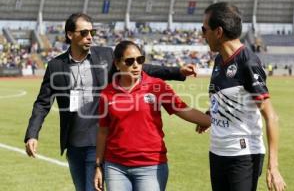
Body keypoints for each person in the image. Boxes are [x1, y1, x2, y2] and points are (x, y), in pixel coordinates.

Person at [24, 13, 197, 191]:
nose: (90, 36)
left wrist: (177, 72)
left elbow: (138, 66)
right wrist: (32, 134)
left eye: (92, 32)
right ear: (70, 35)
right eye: (84, 33)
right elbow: (43, 103)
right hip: (74, 145)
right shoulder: (56, 66)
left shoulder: (105, 55)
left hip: (98, 140)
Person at [94, 40, 211, 191]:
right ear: (117, 64)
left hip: (151, 166)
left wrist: (211, 120)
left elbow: (183, 109)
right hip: (116, 168)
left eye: (140, 60)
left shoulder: (156, 86)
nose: (136, 65)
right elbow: (103, 132)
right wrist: (98, 166)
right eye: (130, 61)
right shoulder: (107, 93)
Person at [201, 2, 286, 191]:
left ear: (218, 32)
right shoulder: (218, 60)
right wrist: (211, 115)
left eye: (204, 29)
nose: (202, 35)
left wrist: (274, 166)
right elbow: (226, 98)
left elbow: (271, 116)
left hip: (243, 155)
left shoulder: (247, 63)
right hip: (217, 151)